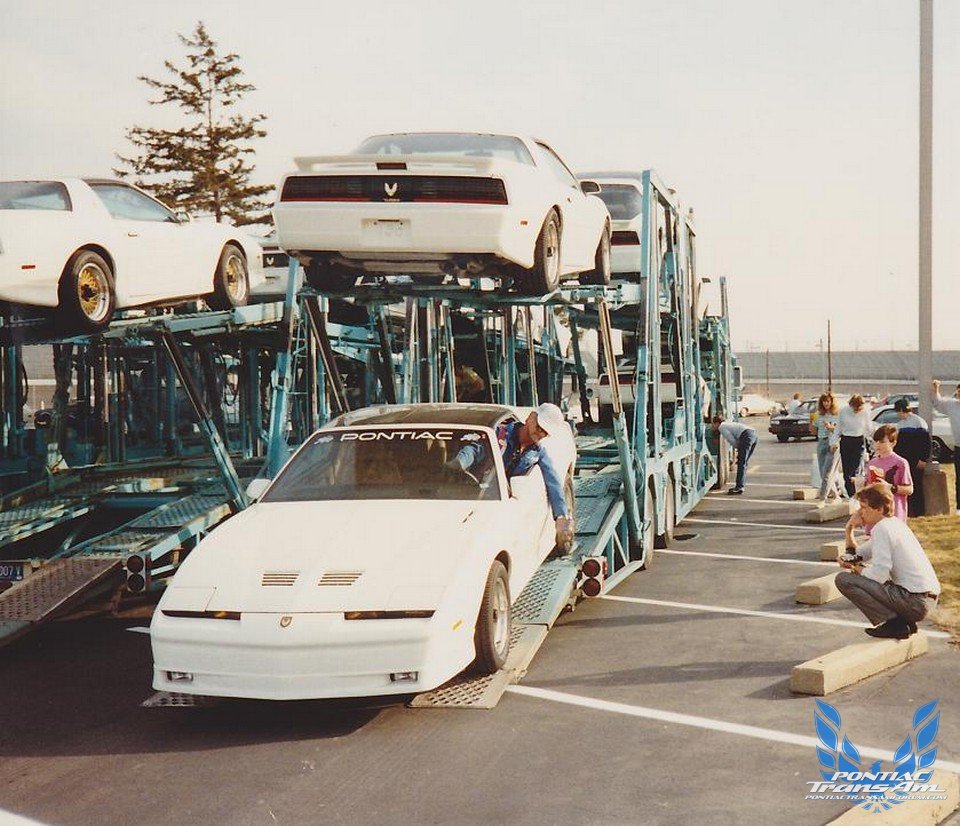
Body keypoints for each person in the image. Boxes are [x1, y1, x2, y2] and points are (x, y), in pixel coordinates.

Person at [449, 402, 574, 546]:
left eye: (544, 432)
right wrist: (459, 463)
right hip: (477, 495)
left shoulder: (539, 452)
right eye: (538, 426)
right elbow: (475, 449)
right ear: (530, 418)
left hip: (506, 503)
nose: (539, 433)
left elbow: (554, 483)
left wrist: (561, 516)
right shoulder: (498, 434)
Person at [836, 483, 940, 639]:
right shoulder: (894, 524)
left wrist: (857, 568)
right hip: (925, 599)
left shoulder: (882, 529)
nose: (860, 512)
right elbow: (857, 554)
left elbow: (879, 575)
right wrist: (849, 528)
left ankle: (894, 624)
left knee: (843, 580)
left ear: (879, 509)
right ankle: (904, 622)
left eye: (864, 508)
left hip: (915, 602)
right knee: (861, 575)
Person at [863, 424, 913, 521]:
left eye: (882, 442)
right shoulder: (872, 463)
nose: (877, 445)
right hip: (875, 513)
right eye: (876, 441)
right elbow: (868, 485)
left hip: (894, 512)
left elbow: (909, 489)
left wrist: (891, 487)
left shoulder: (900, 462)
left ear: (893, 443)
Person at [893, 398, 931, 517]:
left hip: (916, 460)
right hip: (904, 461)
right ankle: (908, 511)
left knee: (917, 486)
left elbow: (926, 442)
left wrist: (923, 459)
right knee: (905, 485)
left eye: (897, 411)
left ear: (901, 410)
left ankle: (919, 511)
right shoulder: (899, 425)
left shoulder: (918, 422)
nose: (897, 414)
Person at [932, 379, 960, 515]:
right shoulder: (952, 405)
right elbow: (937, 403)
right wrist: (936, 389)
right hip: (958, 447)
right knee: (959, 478)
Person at [712, 416, 757, 495]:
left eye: (713, 424)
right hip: (753, 434)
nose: (712, 426)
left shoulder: (722, 427)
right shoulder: (727, 424)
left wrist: (738, 448)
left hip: (746, 436)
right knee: (743, 463)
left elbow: (731, 440)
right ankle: (740, 485)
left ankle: (739, 487)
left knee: (741, 463)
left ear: (717, 423)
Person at [837, 394, 872, 496]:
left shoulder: (865, 413)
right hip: (846, 440)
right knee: (846, 472)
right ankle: (851, 494)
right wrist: (833, 442)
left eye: (859, 408)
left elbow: (869, 428)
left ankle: (856, 495)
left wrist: (873, 441)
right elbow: (838, 428)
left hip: (858, 440)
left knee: (855, 469)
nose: (857, 410)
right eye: (855, 408)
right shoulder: (843, 411)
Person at [814, 392, 840, 501]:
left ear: (832, 402)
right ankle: (835, 494)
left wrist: (830, 428)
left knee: (827, 473)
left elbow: (838, 430)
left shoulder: (837, 415)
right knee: (822, 471)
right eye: (824, 401)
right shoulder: (819, 414)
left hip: (832, 443)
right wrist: (812, 424)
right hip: (821, 442)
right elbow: (815, 429)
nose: (826, 403)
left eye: (828, 401)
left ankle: (822, 498)